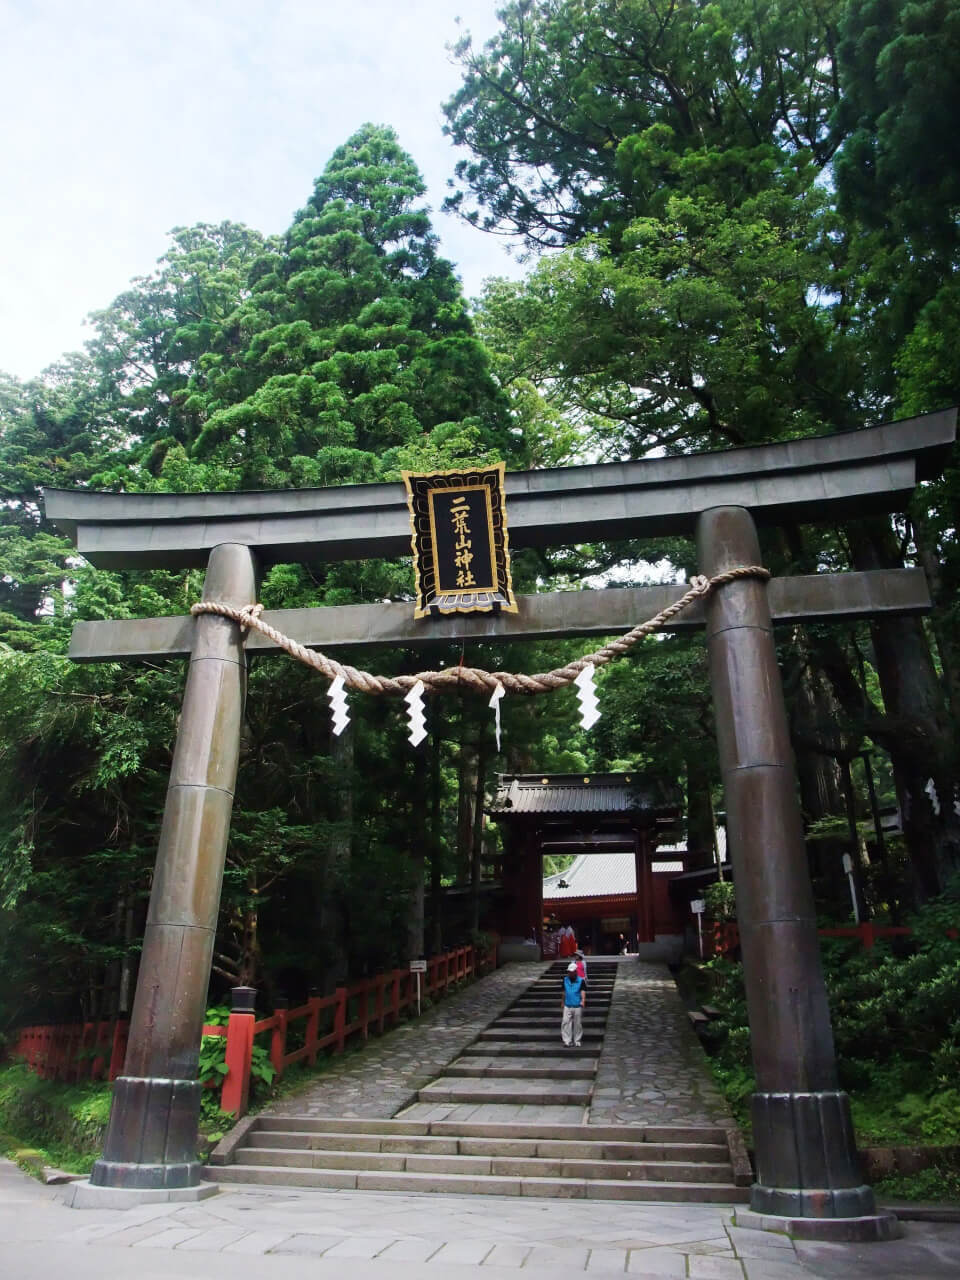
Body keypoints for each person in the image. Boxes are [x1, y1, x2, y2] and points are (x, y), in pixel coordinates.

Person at [561, 960, 586, 1047]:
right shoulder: (565, 980)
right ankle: (567, 1041)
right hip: (567, 1004)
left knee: (577, 1024)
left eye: (571, 972)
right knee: (565, 1022)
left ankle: (577, 1040)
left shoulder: (581, 981)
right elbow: (564, 992)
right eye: (569, 972)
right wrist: (562, 1002)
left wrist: (583, 1000)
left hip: (577, 1005)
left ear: (575, 972)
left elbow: (582, 991)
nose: (570, 974)